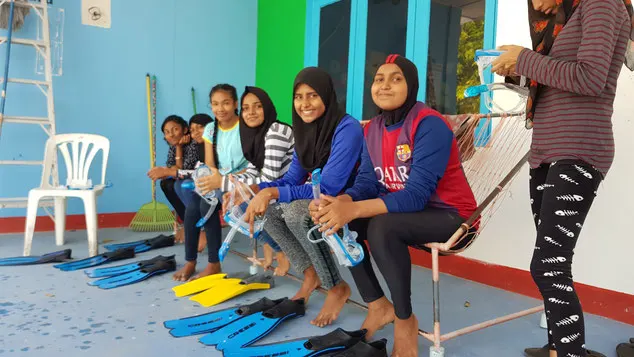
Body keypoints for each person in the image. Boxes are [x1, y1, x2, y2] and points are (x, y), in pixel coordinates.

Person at [309, 54, 477, 357]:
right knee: (341, 221)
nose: (384, 85)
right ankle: (377, 305)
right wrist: (341, 202)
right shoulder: (372, 128)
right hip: (409, 212)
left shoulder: (429, 125)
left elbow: (415, 196)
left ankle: (404, 320)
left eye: (395, 79)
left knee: (381, 226)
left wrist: (356, 208)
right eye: (379, 79)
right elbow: (367, 183)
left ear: (410, 86)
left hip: (454, 216)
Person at [491, 1, 633, 356]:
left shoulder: (601, 3)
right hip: (548, 151)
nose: (535, 3)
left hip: (580, 146)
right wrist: (517, 72)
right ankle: (558, 347)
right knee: (553, 265)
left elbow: (590, 77)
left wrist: (523, 58)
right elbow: (558, 79)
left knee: (547, 267)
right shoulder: (560, 21)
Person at [242, 67, 364, 328]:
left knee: (297, 212)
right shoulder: (305, 132)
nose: (304, 104)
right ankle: (311, 275)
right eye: (298, 97)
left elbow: (329, 187)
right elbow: (290, 181)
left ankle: (336, 287)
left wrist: (271, 192)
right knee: (272, 213)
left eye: (312, 96)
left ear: (327, 97)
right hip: (324, 200)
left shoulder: (347, 128)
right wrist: (253, 190)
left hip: (352, 202)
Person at [172, 84, 249, 281]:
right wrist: (214, 183)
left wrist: (224, 183)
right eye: (215, 104)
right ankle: (190, 261)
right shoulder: (211, 129)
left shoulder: (245, 127)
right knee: (193, 209)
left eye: (225, 103)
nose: (220, 109)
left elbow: (252, 163)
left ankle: (214, 263)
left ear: (235, 103)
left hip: (242, 178)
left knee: (207, 204)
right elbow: (209, 164)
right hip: (216, 176)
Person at [220, 86, 295, 276]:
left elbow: (269, 178)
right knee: (233, 203)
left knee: (245, 206)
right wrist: (233, 183)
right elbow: (254, 170)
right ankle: (271, 246)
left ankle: (282, 251)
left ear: (267, 107)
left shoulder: (277, 131)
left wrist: (230, 186)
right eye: (245, 108)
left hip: (291, 189)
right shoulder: (256, 135)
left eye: (257, 106)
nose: (251, 113)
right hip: (273, 188)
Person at [148, 115, 200, 243]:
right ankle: (188, 222)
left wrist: (169, 171)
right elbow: (175, 168)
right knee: (166, 183)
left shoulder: (194, 144)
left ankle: (193, 226)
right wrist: (177, 148)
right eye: (167, 132)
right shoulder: (174, 146)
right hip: (184, 177)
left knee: (178, 184)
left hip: (196, 178)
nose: (171, 134)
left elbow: (183, 171)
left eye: (175, 129)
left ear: (185, 129)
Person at [172, 113, 213, 244]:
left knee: (186, 185)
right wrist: (180, 147)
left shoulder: (214, 144)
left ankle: (203, 229)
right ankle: (196, 226)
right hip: (202, 177)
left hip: (216, 181)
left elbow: (209, 171)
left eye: (200, 127)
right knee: (178, 185)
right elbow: (193, 169)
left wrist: (172, 172)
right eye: (193, 130)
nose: (195, 133)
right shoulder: (198, 145)